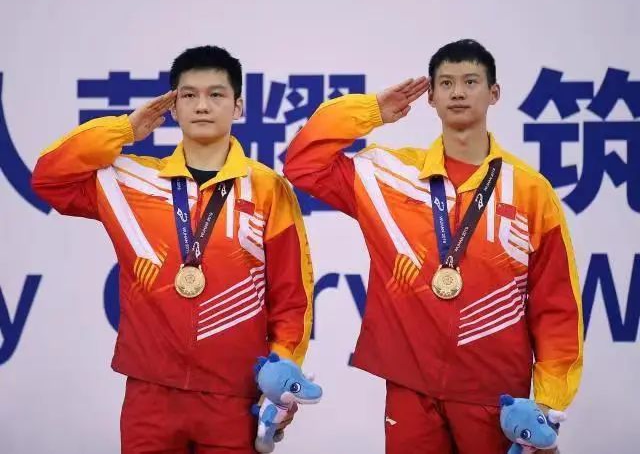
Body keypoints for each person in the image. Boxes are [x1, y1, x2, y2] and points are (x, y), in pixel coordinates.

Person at [283, 39, 583, 454]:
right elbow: (303, 163)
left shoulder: (531, 192)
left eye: (470, 82)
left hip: (495, 394)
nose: (458, 92)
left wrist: (548, 403)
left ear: (494, 93)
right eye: (446, 83)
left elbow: (556, 306)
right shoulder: (387, 175)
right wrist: (372, 111)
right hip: (412, 388)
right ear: (431, 97)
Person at [32, 45, 313, 454]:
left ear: (238, 107)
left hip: (234, 396)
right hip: (150, 394)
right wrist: (124, 130)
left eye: (216, 94)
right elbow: (48, 178)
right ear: (174, 107)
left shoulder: (268, 188)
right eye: (189, 95)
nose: (202, 105)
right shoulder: (130, 182)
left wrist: (281, 371)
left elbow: (292, 295)